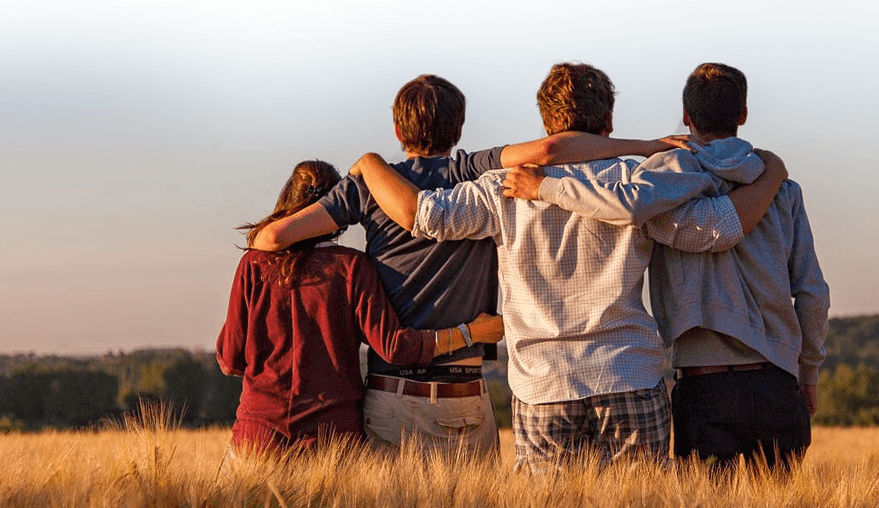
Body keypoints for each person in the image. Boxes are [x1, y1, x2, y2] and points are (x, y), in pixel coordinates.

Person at [351, 63, 787, 471]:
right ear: (609, 123)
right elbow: (710, 232)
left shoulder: (500, 187)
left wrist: (369, 163)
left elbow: (424, 216)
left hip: (543, 384)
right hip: (628, 373)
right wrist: (771, 174)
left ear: (545, 123)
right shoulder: (638, 183)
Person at [247, 74, 685, 457]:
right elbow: (553, 149)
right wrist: (650, 145)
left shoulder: (368, 186)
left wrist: (365, 170)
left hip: (392, 392)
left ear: (398, 130)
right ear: (459, 129)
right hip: (466, 392)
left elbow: (272, 239)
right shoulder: (474, 171)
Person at [515, 63, 829, 472]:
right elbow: (812, 293)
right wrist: (809, 372)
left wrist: (547, 187)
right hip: (779, 383)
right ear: (743, 114)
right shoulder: (782, 190)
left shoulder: (662, 186)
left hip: (704, 386)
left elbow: (629, 206)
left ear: (686, 116)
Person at [215, 160, 504, 457]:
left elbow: (230, 360)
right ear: (336, 213)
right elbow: (394, 347)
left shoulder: (253, 265)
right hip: (332, 441)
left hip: (257, 436)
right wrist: (471, 332)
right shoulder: (352, 267)